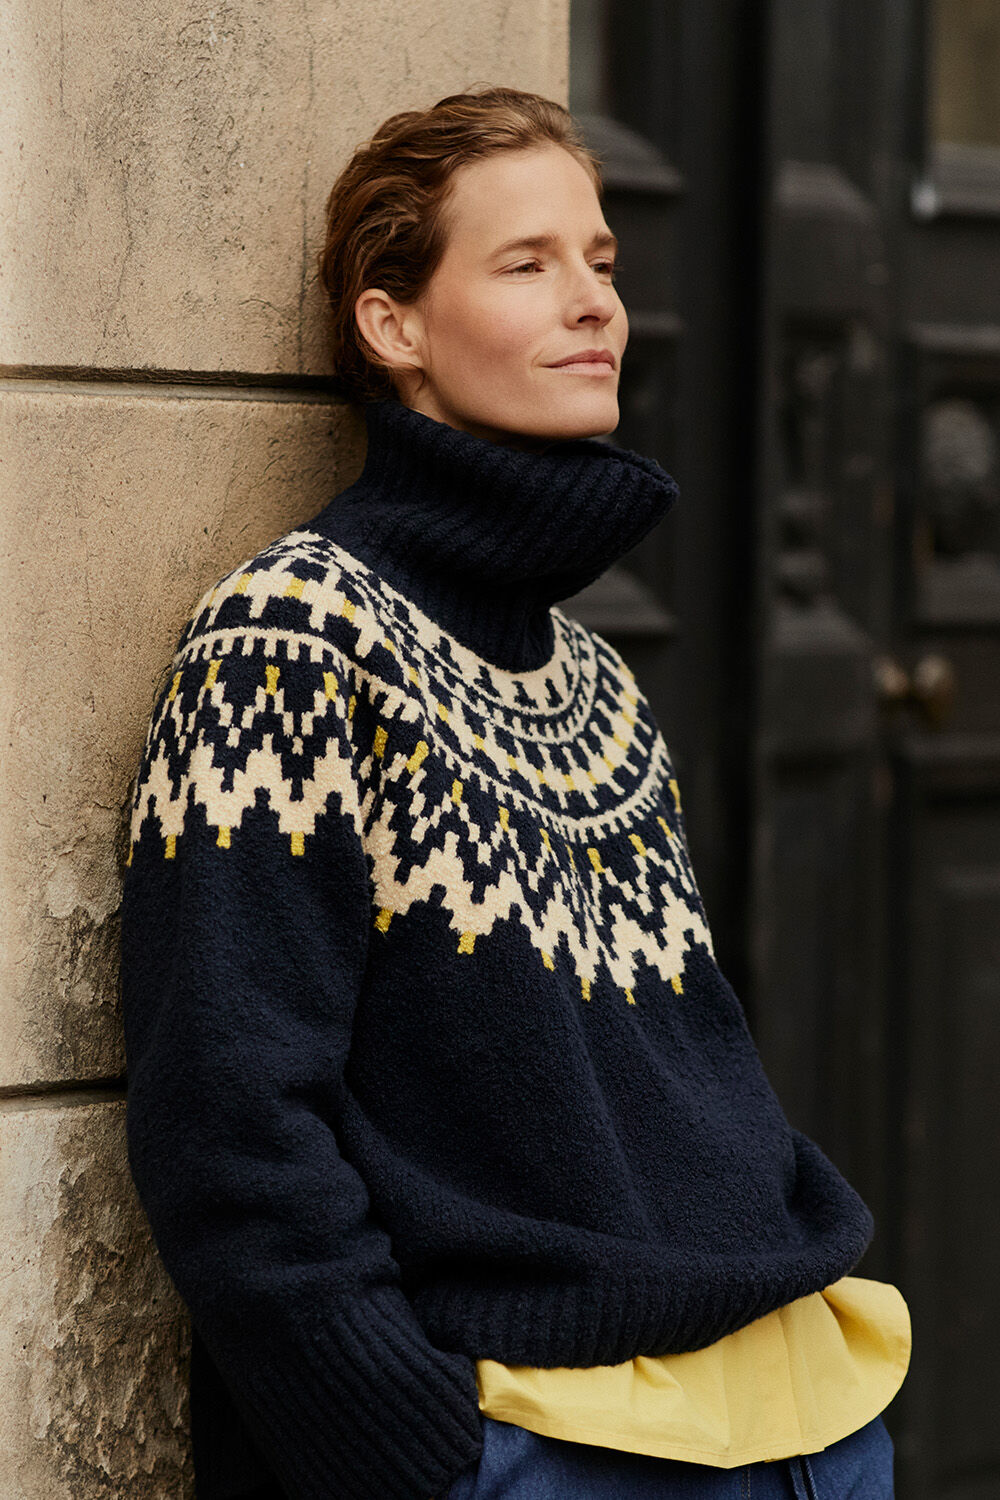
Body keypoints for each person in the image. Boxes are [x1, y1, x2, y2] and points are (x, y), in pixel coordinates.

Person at [119, 85, 911, 1500]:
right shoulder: (295, 637)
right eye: (527, 262)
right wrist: (423, 1459)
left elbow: (678, 1069)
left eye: (601, 261)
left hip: (799, 1413)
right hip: (556, 1447)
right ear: (393, 324)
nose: (596, 302)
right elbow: (229, 1126)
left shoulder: (597, 679)